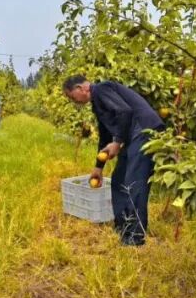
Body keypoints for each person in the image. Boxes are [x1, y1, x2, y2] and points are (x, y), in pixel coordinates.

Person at [62, 75, 164, 246]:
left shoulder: (101, 89)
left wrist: (117, 142)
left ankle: (134, 237)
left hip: (145, 131)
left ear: (81, 88)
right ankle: (123, 227)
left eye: (72, 97)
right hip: (132, 135)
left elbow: (125, 112)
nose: (74, 101)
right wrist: (98, 167)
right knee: (119, 181)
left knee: (134, 183)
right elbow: (105, 135)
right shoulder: (98, 103)